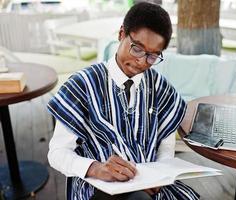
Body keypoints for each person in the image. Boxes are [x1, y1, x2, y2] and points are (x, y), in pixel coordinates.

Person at [47, 2, 200, 200]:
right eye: (137, 49)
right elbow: (57, 153)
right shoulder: (82, 85)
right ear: (121, 34)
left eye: (152, 56)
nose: (142, 61)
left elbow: (165, 148)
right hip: (98, 187)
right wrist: (96, 168)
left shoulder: (162, 89)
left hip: (150, 184)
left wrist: (160, 175)